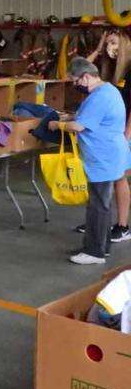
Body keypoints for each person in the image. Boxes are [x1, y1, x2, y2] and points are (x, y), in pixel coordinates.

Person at [48, 57, 131, 264]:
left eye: (75, 81)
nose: (75, 85)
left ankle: (94, 253)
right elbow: (86, 118)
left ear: (86, 77)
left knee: (98, 205)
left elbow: (79, 126)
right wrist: (68, 119)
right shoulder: (108, 90)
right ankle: (102, 246)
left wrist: (57, 125)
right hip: (109, 155)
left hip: (103, 158)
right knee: (102, 204)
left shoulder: (99, 97)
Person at [89, 30, 131, 243]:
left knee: (119, 177)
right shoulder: (108, 69)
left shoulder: (130, 69)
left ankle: (123, 226)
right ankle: (97, 222)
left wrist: (127, 136)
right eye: (107, 43)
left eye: (113, 43)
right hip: (108, 133)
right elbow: (78, 73)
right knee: (103, 177)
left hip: (124, 132)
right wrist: (97, 50)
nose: (109, 47)